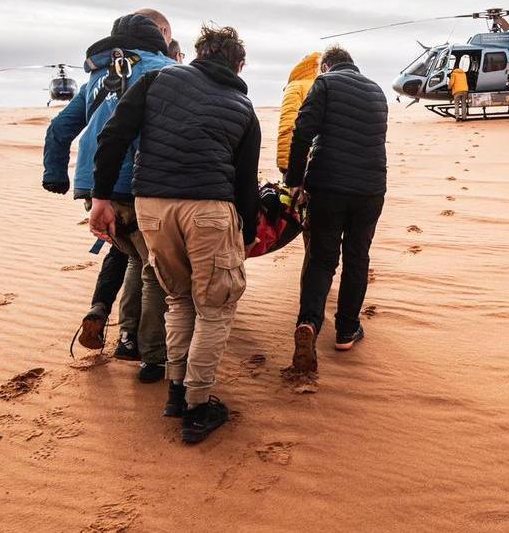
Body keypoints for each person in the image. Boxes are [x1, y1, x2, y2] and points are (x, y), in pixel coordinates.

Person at [89, 24, 260, 445]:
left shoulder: (156, 79)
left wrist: (101, 197)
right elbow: (245, 181)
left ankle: (176, 389)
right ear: (239, 64)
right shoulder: (241, 103)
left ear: (200, 54)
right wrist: (250, 233)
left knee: (179, 298)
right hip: (209, 209)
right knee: (215, 307)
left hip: (152, 207)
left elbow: (114, 136)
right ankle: (198, 406)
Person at [42, 10, 176, 381]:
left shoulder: (96, 77)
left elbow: (59, 129)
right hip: (142, 184)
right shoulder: (165, 70)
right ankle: (152, 356)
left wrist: (56, 175)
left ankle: (123, 333)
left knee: (130, 258)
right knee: (154, 271)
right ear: (158, 38)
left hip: (96, 189)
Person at [284, 45, 387, 374]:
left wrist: (295, 180)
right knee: (357, 257)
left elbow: (302, 131)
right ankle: (346, 330)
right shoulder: (377, 91)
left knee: (321, 260)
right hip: (370, 190)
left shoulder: (325, 84)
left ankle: (309, 324)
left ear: (326, 66)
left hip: (328, 187)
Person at [276, 52, 322, 176]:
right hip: (322, 163)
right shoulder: (323, 86)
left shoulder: (295, 87)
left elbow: (288, 124)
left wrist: (286, 165)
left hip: (297, 160)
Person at [448, 56, 470, 122]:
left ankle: (457, 117)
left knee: (456, 104)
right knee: (463, 104)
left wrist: (449, 87)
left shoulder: (453, 74)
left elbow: (451, 83)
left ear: (454, 68)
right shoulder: (463, 73)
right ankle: (464, 117)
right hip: (465, 90)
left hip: (457, 91)